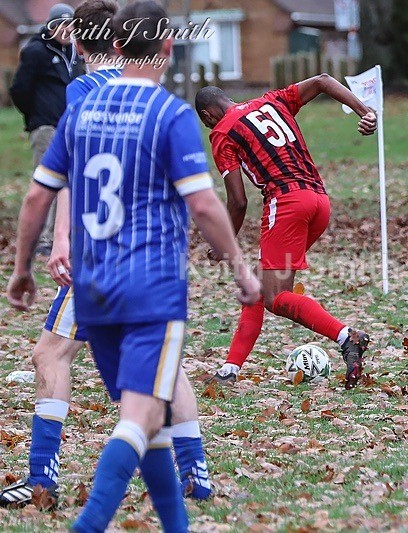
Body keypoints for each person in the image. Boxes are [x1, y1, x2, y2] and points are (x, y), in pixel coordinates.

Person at [5, 1, 260, 530]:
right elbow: (205, 204)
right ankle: (92, 520)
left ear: (113, 46)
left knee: (147, 412)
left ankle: (174, 515)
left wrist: (24, 266)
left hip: (94, 284)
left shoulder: (81, 107)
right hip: (150, 282)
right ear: (168, 46)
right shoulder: (170, 114)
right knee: (142, 414)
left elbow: (38, 195)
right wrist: (240, 268)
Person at [194, 77, 377, 389]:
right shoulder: (272, 101)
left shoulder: (223, 132)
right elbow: (322, 81)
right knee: (258, 286)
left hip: (287, 204)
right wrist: (364, 111)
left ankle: (347, 337)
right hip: (319, 201)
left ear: (207, 115)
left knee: (275, 296)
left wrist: (222, 241)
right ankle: (229, 370)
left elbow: (238, 202)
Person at [10, 3, 82, 255]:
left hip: (68, 127)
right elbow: (19, 90)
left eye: (70, 25)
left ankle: (61, 235)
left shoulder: (73, 53)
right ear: (51, 26)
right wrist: (36, 117)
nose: (66, 30)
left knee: (69, 182)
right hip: (46, 127)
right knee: (48, 182)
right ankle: (41, 239)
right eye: (61, 25)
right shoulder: (36, 51)